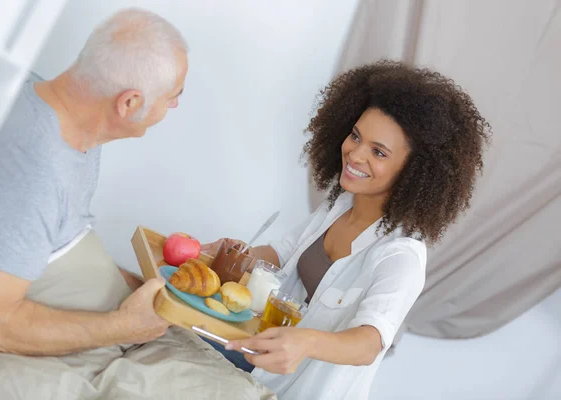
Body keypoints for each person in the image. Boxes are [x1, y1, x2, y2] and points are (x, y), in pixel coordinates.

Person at [204, 60, 491, 399]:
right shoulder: (339, 205)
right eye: (356, 135)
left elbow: (369, 342)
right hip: (254, 364)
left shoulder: (400, 255)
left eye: (378, 152)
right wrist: (237, 254)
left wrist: (306, 342)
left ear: (415, 171)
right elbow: (282, 253)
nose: (354, 154)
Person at [0, 8, 188, 356]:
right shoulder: (33, 172)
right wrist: (123, 327)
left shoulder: (61, 114)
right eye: (174, 95)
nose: (174, 105)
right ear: (129, 103)